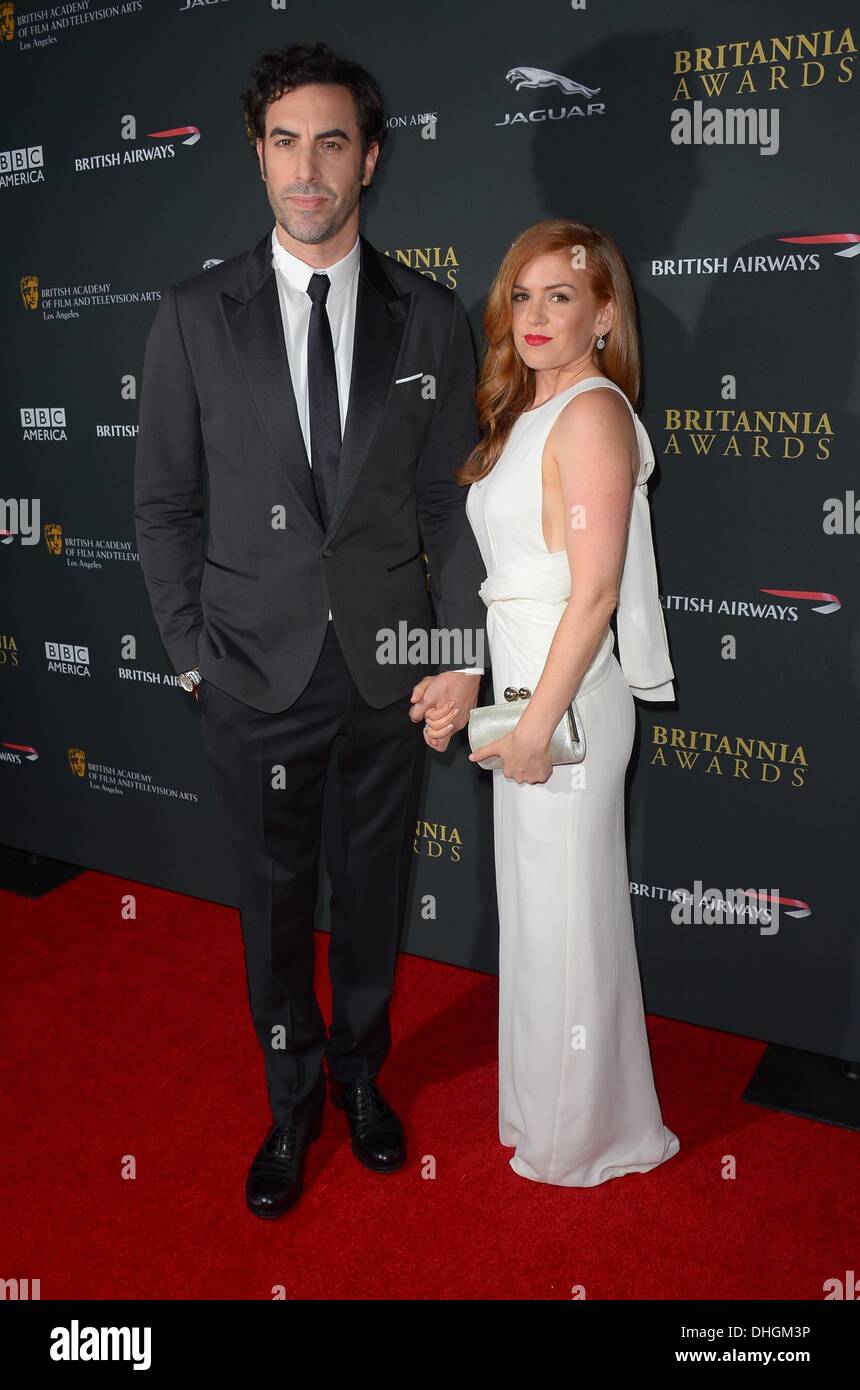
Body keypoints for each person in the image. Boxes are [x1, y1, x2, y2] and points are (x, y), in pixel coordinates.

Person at [133, 42, 487, 1218]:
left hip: (388, 673)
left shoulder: (430, 316)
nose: (306, 165)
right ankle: (289, 1109)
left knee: (372, 892)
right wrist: (191, 655)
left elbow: (450, 499)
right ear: (258, 156)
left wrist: (446, 651)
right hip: (250, 669)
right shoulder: (192, 318)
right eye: (284, 140)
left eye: (331, 140)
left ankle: (359, 1078)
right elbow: (164, 504)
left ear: (369, 160)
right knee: (276, 907)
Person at [423, 218, 680, 1186]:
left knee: (567, 927)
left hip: (564, 709)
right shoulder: (525, 413)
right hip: (525, 700)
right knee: (536, 922)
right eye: (520, 296)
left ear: (602, 313)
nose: (533, 315)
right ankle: (542, 1110)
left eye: (559, 296)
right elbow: (503, 578)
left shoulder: (592, 415)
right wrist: (469, 682)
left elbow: (594, 592)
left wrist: (533, 726)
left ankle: (587, 1136)